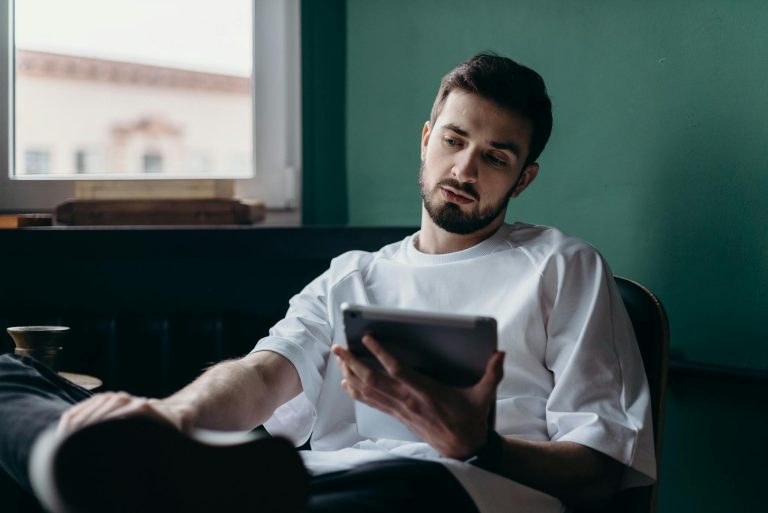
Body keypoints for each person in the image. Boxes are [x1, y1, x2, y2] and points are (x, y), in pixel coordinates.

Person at [0, 53, 655, 513]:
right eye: (454, 140)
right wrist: (172, 417)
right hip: (320, 480)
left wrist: (479, 444)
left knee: (395, 488)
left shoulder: (563, 266)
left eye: (495, 156)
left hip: (453, 492)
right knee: (10, 375)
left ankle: (149, 482)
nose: (465, 166)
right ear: (427, 139)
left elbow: (600, 476)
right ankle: (79, 457)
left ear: (524, 177)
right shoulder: (354, 275)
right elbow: (263, 373)